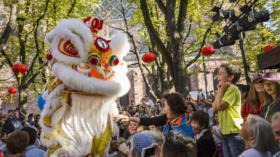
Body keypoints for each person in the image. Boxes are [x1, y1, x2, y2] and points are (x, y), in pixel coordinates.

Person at [123, 93, 194, 138]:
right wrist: (129, 118)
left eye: (165, 106)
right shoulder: (168, 118)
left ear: (174, 108)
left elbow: (173, 148)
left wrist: (158, 135)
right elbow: (149, 121)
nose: (164, 110)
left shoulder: (183, 127)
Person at [212, 64, 244, 157]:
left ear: (231, 77)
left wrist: (221, 91)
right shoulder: (223, 90)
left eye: (221, 74)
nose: (218, 77)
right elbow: (214, 108)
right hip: (225, 131)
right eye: (219, 74)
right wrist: (219, 91)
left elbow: (220, 106)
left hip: (233, 131)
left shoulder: (233, 89)